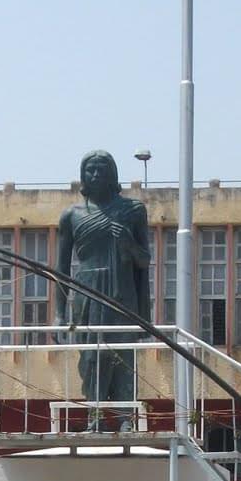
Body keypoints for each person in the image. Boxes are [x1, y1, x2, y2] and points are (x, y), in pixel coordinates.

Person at [55, 150, 151, 430]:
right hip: (87, 295)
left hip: (122, 294)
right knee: (91, 358)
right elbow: (61, 269)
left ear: (113, 175)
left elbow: (144, 260)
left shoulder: (133, 211)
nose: (95, 175)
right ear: (82, 175)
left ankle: (125, 419)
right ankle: (94, 418)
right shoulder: (71, 215)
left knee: (123, 355)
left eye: (101, 170)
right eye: (90, 170)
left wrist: (129, 244)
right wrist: (59, 315)